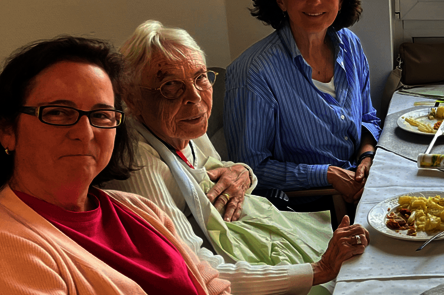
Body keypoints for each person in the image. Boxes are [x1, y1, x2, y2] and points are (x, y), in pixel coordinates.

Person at [106, 21, 368, 295]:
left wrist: (243, 172)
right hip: (242, 277)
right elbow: (193, 270)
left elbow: (219, 171)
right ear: (132, 98)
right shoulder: (138, 164)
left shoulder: (184, 127)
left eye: (200, 77)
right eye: (171, 87)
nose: (195, 97)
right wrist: (318, 270)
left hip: (261, 242)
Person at [0, 36, 230, 294]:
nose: (85, 133)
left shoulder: (142, 210)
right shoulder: (0, 240)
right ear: (6, 130)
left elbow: (213, 286)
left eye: (101, 114)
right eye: (58, 112)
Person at [225, 0, 381, 208]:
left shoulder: (351, 45)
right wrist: (328, 175)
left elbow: (368, 117)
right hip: (308, 212)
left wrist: (366, 158)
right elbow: (249, 169)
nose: (315, 0)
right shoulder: (254, 73)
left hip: (362, 189)